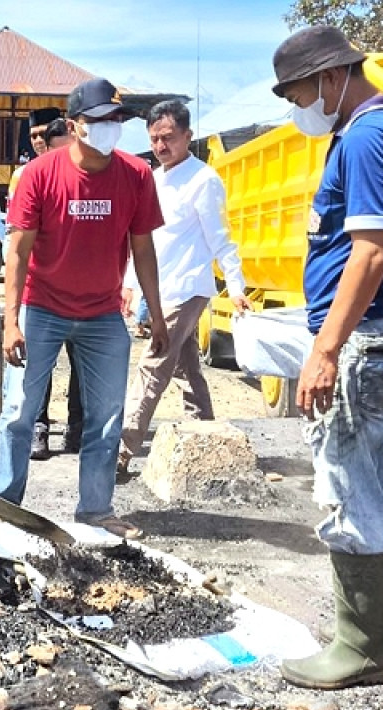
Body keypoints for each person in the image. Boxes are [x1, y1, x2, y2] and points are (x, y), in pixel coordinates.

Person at [270, 26, 383, 690]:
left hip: (363, 338)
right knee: (375, 487)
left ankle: (360, 648)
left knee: (347, 490)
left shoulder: (364, 138)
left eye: (298, 95)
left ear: (331, 78)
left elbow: (369, 252)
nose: (297, 109)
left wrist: (325, 349)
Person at [0, 77, 169, 541]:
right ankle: (6, 509)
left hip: (103, 315)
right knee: (19, 411)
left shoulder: (136, 175)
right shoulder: (39, 175)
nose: (111, 126)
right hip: (42, 308)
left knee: (107, 417)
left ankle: (95, 511)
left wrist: (155, 314)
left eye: (117, 118)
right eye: (100, 119)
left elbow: (143, 249)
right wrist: (11, 321)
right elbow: (18, 251)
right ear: (74, 125)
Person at [118, 100, 250, 471]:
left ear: (188, 136)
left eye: (169, 138)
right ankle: (208, 438)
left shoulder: (203, 180)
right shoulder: (153, 178)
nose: (161, 146)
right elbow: (144, 241)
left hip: (189, 287)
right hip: (159, 290)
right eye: (154, 139)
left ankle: (121, 451)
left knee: (154, 363)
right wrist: (130, 284)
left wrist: (236, 286)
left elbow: (222, 238)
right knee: (185, 366)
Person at [27, 116, 85, 462]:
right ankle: (39, 427)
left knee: (82, 365)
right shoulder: (31, 179)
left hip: (83, 294)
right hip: (44, 293)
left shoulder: (92, 182)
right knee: (40, 366)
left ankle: (77, 428)